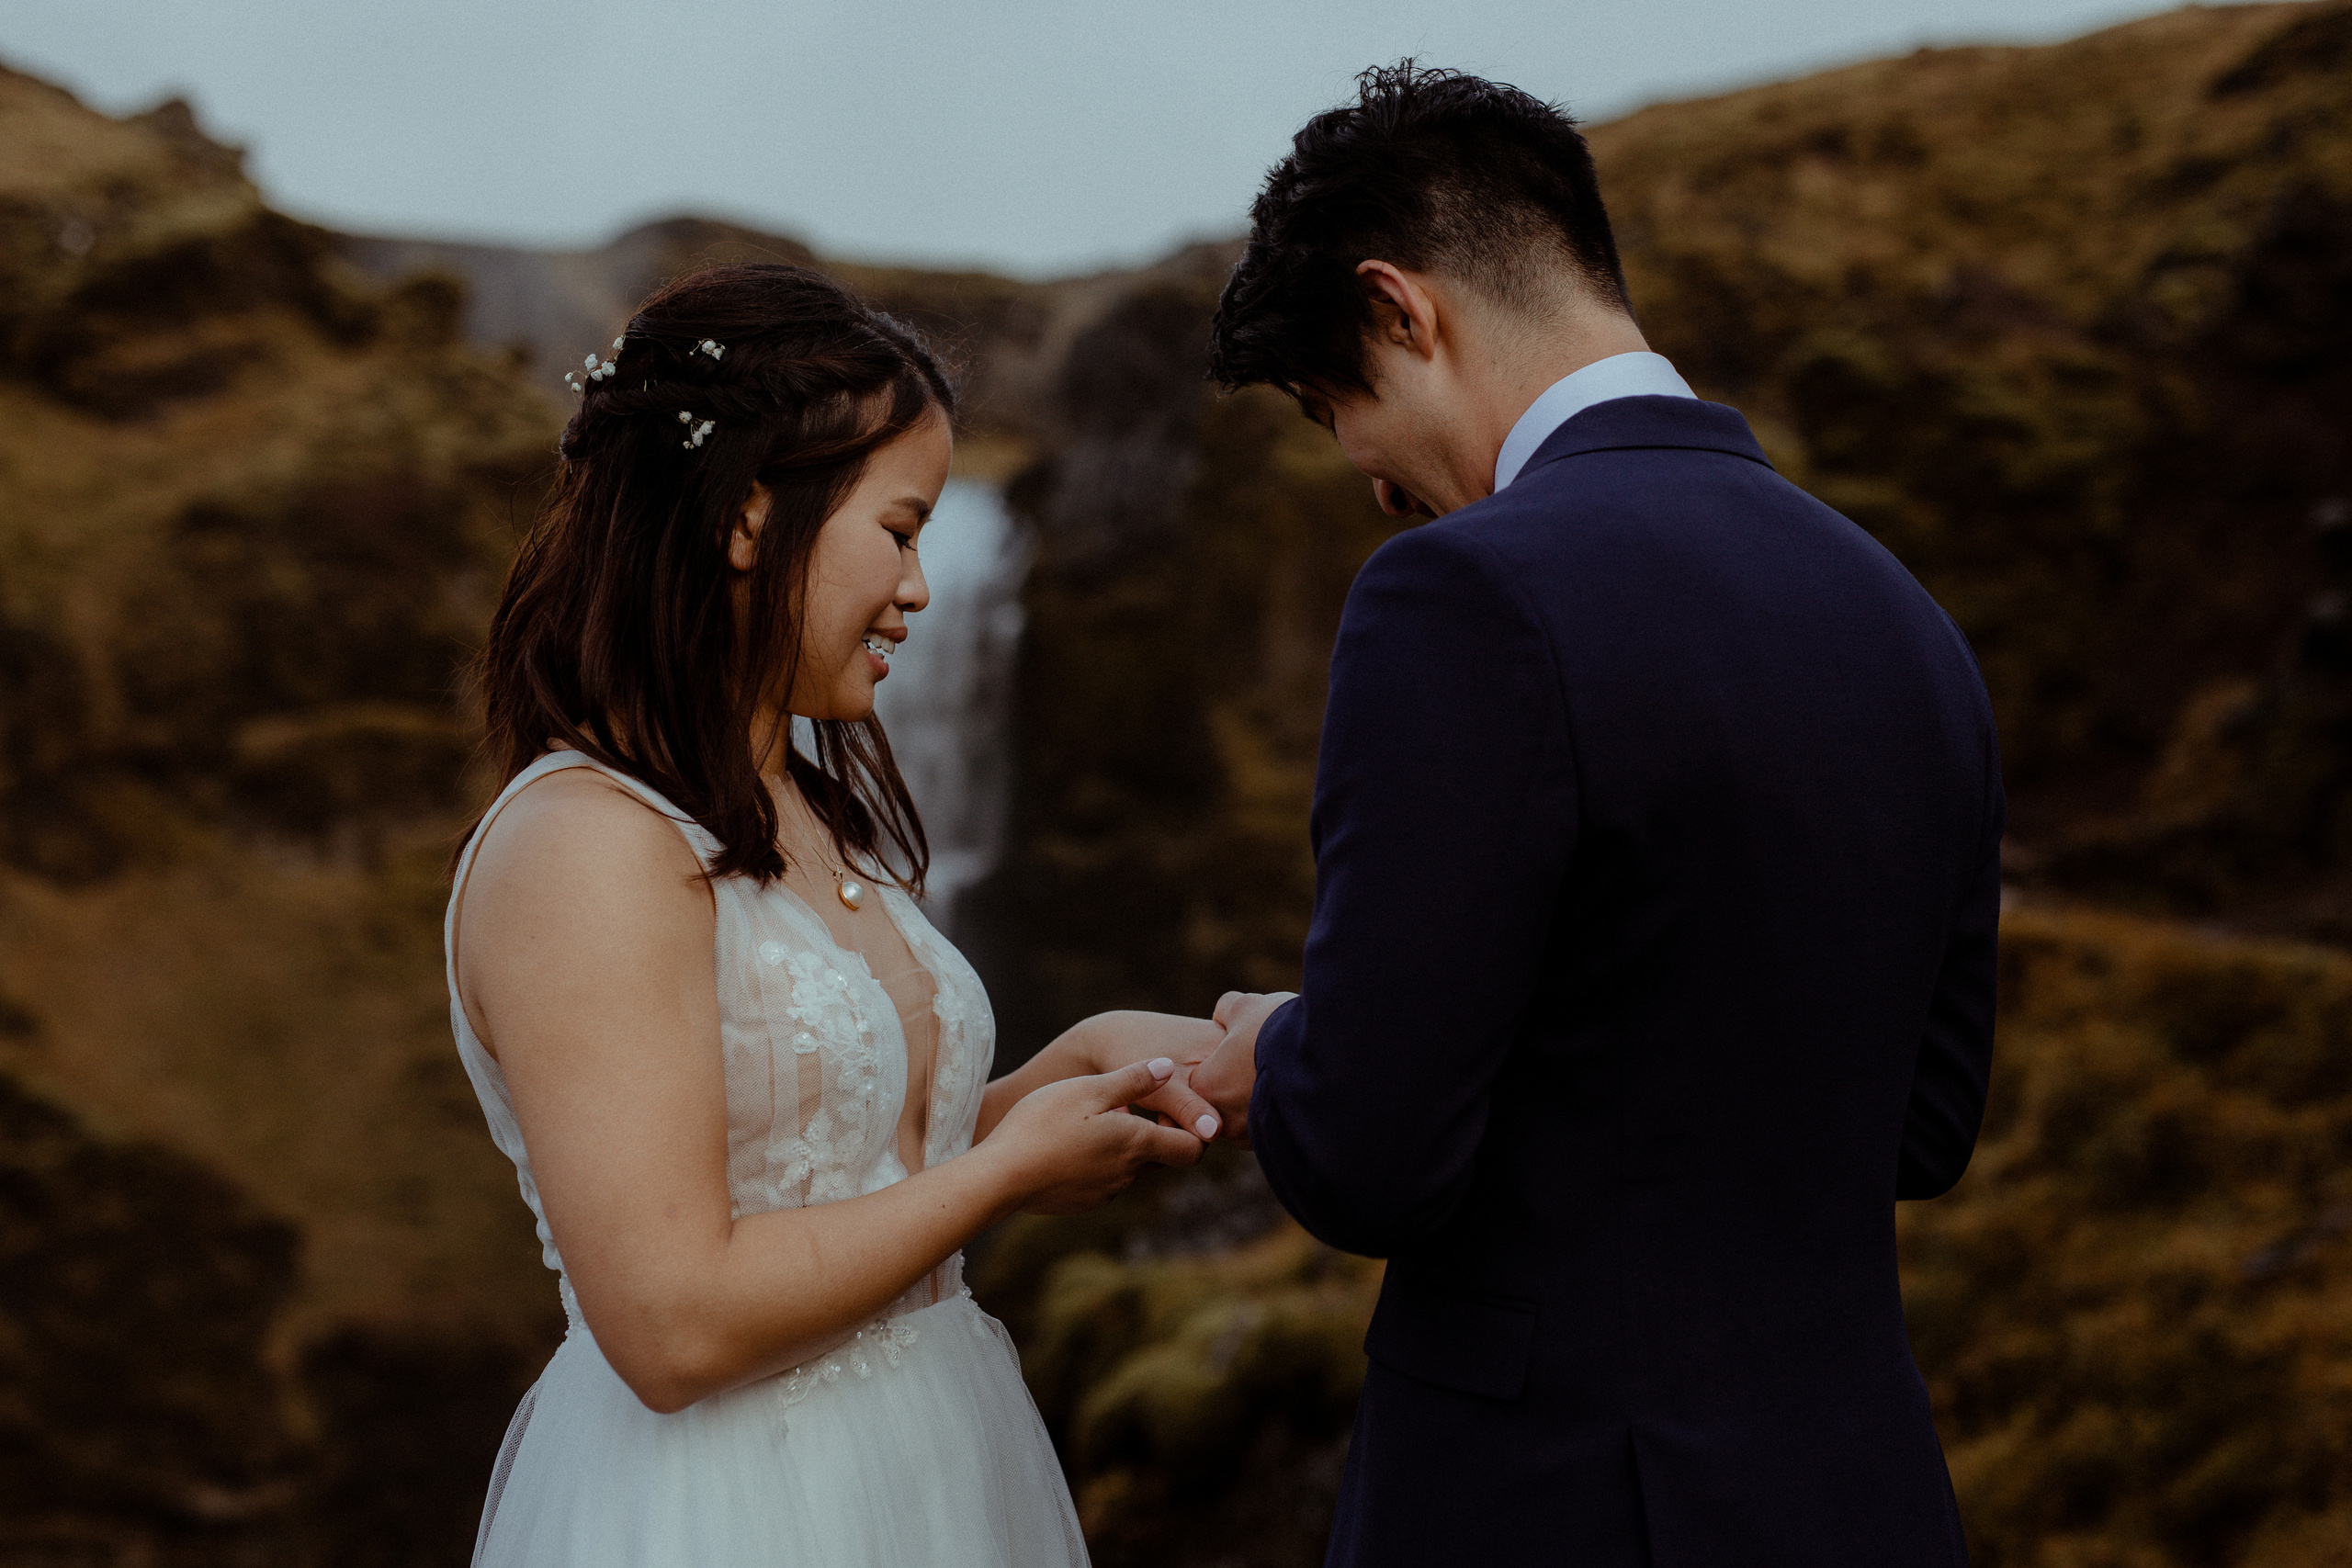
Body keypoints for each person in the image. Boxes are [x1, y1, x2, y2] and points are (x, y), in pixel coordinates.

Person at [1189, 64, 2001, 1567]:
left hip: (1557, 1507)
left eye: (1335, 406)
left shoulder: (1462, 595)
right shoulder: (1903, 615)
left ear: (1401, 310)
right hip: (1862, 1500)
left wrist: (1283, 1054)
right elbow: (1928, 1122)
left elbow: (1370, 1156)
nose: (1371, 482)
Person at [442, 263, 1226, 1568]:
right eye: (901, 530)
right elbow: (673, 1324)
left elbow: (838, 1165)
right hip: (731, 1507)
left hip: (936, 1461)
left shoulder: (804, 805)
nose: (919, 588)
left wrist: (1072, 1073)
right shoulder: (584, 849)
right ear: (749, 518)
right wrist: (1002, 1179)